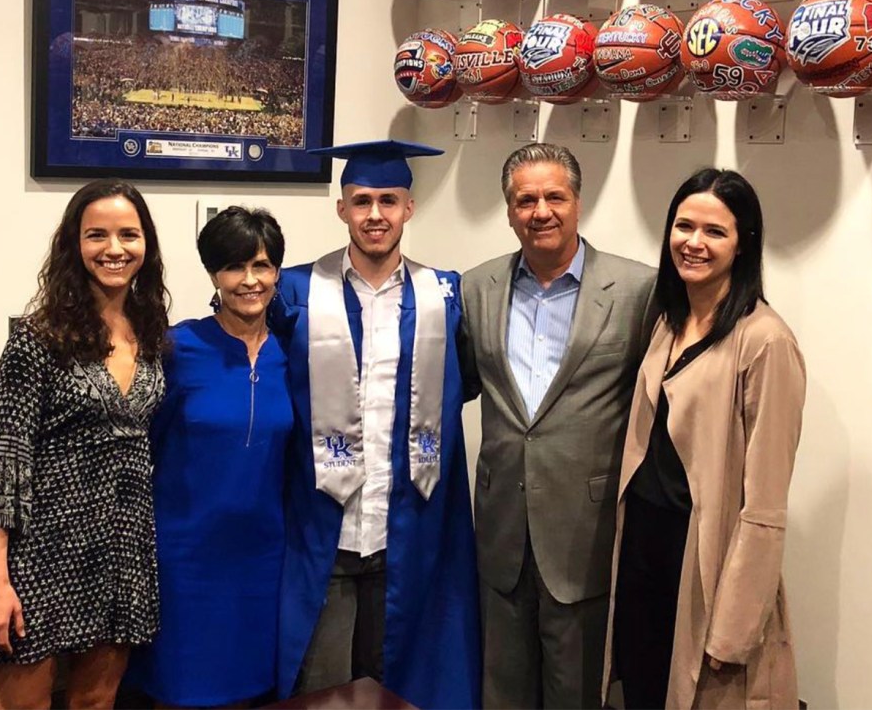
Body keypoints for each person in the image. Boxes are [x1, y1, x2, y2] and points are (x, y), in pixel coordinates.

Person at [271, 139, 480, 709]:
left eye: (389, 201)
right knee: (321, 693)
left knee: (397, 690)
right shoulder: (293, 292)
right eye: (361, 201)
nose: (375, 215)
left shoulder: (445, 295)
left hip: (407, 530)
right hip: (323, 531)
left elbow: (467, 382)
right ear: (341, 208)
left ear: (409, 208)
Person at [0, 179, 169, 709]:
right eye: (97, 235)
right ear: (75, 245)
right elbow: (3, 459)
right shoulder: (36, 338)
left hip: (121, 550)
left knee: (96, 702)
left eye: (128, 235)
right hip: (39, 555)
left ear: (146, 245)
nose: (114, 249)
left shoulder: (151, 330)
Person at [462, 142, 658, 709]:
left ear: (577, 202)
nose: (540, 211)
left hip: (584, 532)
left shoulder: (636, 291)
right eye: (525, 200)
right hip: (501, 529)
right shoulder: (476, 289)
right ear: (508, 210)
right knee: (502, 690)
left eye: (554, 197)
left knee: (576, 691)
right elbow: (458, 385)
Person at [602, 168, 806, 709]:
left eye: (715, 231)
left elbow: (765, 504)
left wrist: (735, 627)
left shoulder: (765, 341)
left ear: (744, 245)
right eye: (683, 226)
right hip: (644, 552)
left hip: (703, 566)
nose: (694, 243)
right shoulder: (667, 321)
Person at [125, 207, 293, 707]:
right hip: (184, 561)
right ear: (213, 275)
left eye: (261, 266)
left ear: (277, 272)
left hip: (264, 561)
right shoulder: (175, 348)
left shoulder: (296, 353)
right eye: (233, 268)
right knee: (183, 691)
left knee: (258, 692)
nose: (249, 281)